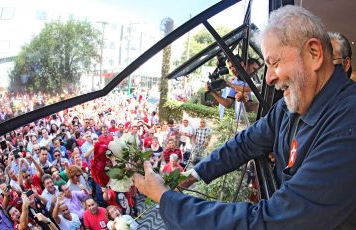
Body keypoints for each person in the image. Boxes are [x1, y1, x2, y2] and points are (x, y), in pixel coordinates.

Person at [134, 5, 356, 229]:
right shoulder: (288, 108)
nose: (268, 78)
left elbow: (274, 221)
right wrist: (193, 175)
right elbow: (245, 143)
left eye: (274, 63)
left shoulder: (349, 123)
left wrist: (167, 200)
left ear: (314, 54)